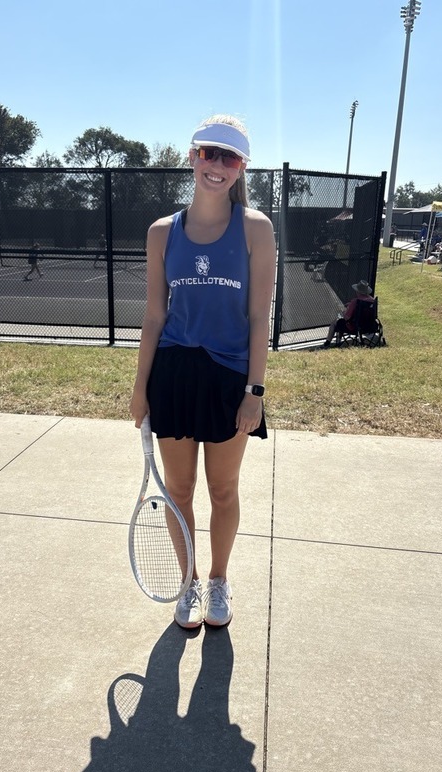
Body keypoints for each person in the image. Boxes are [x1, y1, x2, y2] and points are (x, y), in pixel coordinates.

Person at [129, 115, 276, 629]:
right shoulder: (161, 233)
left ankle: (218, 583)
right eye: (209, 153)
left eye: (229, 157)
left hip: (229, 380)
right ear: (192, 156)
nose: (217, 165)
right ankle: (187, 583)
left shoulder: (256, 228)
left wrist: (254, 391)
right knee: (179, 490)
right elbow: (153, 316)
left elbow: (260, 317)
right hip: (173, 376)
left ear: (241, 169)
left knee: (223, 491)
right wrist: (139, 387)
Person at [322, 279, 375, 347]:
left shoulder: (355, 302)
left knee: (336, 322)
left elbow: (347, 317)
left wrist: (344, 312)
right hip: (369, 326)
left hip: (354, 327)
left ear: (357, 291)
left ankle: (328, 342)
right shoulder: (372, 301)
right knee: (340, 321)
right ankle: (336, 341)